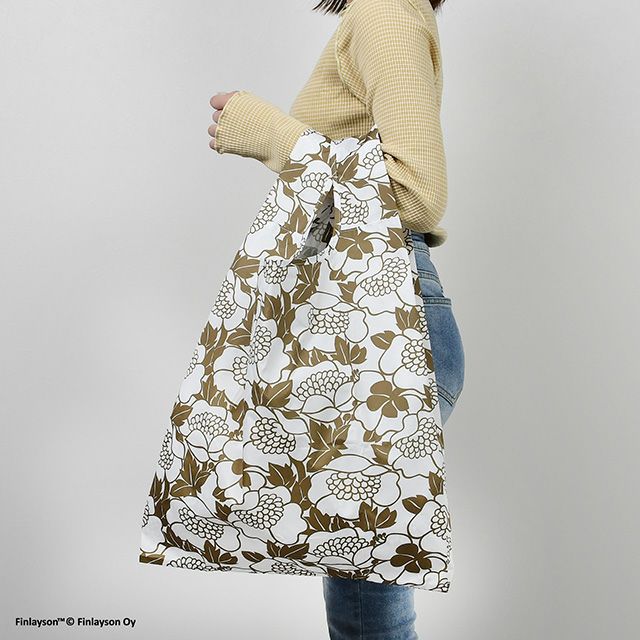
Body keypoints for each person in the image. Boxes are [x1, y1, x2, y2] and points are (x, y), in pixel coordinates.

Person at [207, 0, 465, 637]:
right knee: (359, 597)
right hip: (371, 324)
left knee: (366, 616)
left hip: (385, 329)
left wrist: (274, 135)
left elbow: (417, 193)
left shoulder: (384, 10)